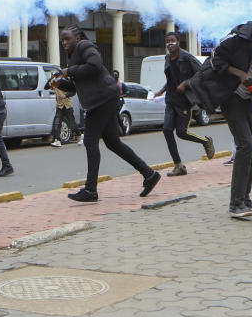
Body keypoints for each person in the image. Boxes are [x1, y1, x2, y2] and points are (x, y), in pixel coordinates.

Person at [187, 3, 252, 219]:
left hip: (248, 97)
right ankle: (235, 205)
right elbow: (215, 59)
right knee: (245, 145)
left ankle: (245, 198)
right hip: (230, 94)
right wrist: (241, 75)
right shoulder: (241, 35)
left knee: (251, 147)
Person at [52, 26, 161, 202]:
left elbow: (94, 65)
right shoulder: (72, 56)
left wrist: (69, 71)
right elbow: (77, 85)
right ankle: (149, 174)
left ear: (77, 38)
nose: (64, 42)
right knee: (113, 143)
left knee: (89, 141)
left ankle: (90, 190)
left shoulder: (85, 46)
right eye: (62, 40)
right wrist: (60, 84)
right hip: (102, 100)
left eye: (67, 39)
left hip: (103, 100)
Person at [154, 32, 215, 176]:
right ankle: (179, 166)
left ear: (178, 42)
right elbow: (171, 79)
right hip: (170, 99)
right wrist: (161, 90)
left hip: (184, 101)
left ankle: (206, 141)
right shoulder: (167, 58)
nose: (170, 43)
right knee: (167, 130)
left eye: (172, 40)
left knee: (181, 132)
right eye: (167, 41)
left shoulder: (187, 57)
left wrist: (186, 83)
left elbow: (202, 73)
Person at [48, 82, 77, 147]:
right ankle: (57, 140)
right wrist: (50, 81)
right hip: (59, 107)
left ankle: (80, 135)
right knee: (57, 123)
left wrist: (65, 95)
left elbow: (73, 92)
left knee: (72, 122)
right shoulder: (54, 85)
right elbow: (46, 87)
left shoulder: (65, 83)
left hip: (67, 106)